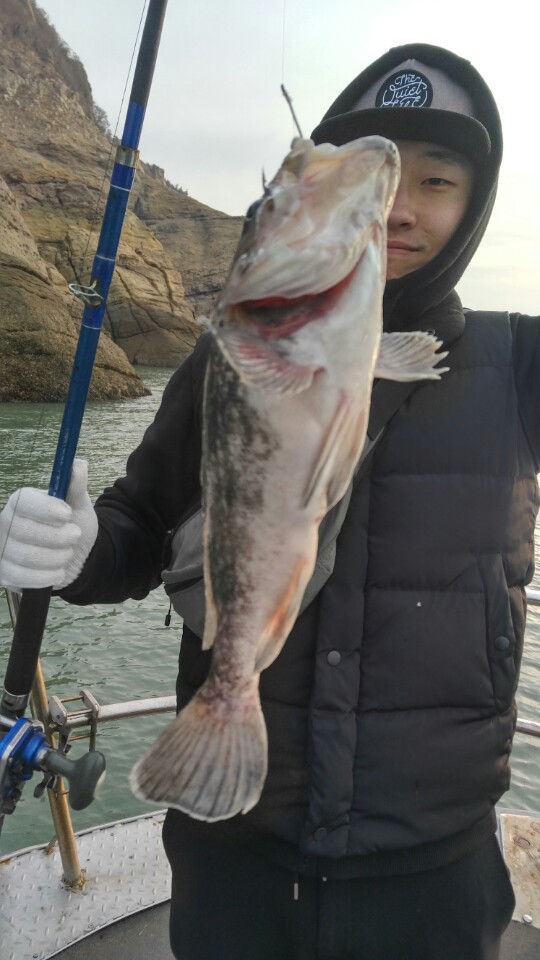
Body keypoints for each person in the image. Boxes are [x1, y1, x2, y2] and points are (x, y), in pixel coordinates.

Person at [0, 41, 537, 960]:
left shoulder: (518, 365)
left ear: (476, 205)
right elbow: (139, 525)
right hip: (236, 857)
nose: (399, 210)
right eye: (376, 181)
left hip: (434, 862)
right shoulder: (229, 353)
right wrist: (80, 551)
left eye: (438, 182)